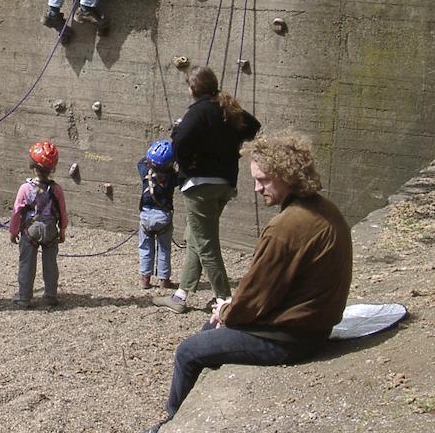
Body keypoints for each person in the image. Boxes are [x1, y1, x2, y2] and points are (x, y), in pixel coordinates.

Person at [142, 131, 353, 432]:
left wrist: (226, 311)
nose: (256, 188)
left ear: (287, 175)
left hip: (292, 338)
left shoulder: (286, 227)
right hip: (313, 325)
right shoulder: (323, 209)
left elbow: (254, 299)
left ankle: (172, 424)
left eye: (264, 179)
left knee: (188, 352)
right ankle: (195, 405)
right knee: (209, 332)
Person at [154, 66, 260, 313]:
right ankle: (181, 296)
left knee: (207, 242)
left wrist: (188, 159)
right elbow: (253, 126)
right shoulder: (228, 109)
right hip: (224, 184)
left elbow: (178, 143)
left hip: (199, 185)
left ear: (193, 88)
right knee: (195, 237)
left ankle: (225, 301)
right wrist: (230, 147)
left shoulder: (197, 112)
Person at [9, 141, 69, 309]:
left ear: (33, 166)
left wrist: (13, 231)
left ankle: (24, 298)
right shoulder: (57, 189)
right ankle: (50, 296)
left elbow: (17, 212)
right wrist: (62, 229)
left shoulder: (25, 188)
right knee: (50, 265)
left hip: (30, 230)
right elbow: (62, 211)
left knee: (26, 264)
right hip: (50, 229)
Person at [137, 139, 178, 289]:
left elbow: (141, 161)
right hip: (163, 217)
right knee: (164, 249)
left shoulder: (143, 171)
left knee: (145, 248)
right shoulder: (172, 177)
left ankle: (145, 279)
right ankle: (164, 280)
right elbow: (182, 173)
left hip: (146, 216)